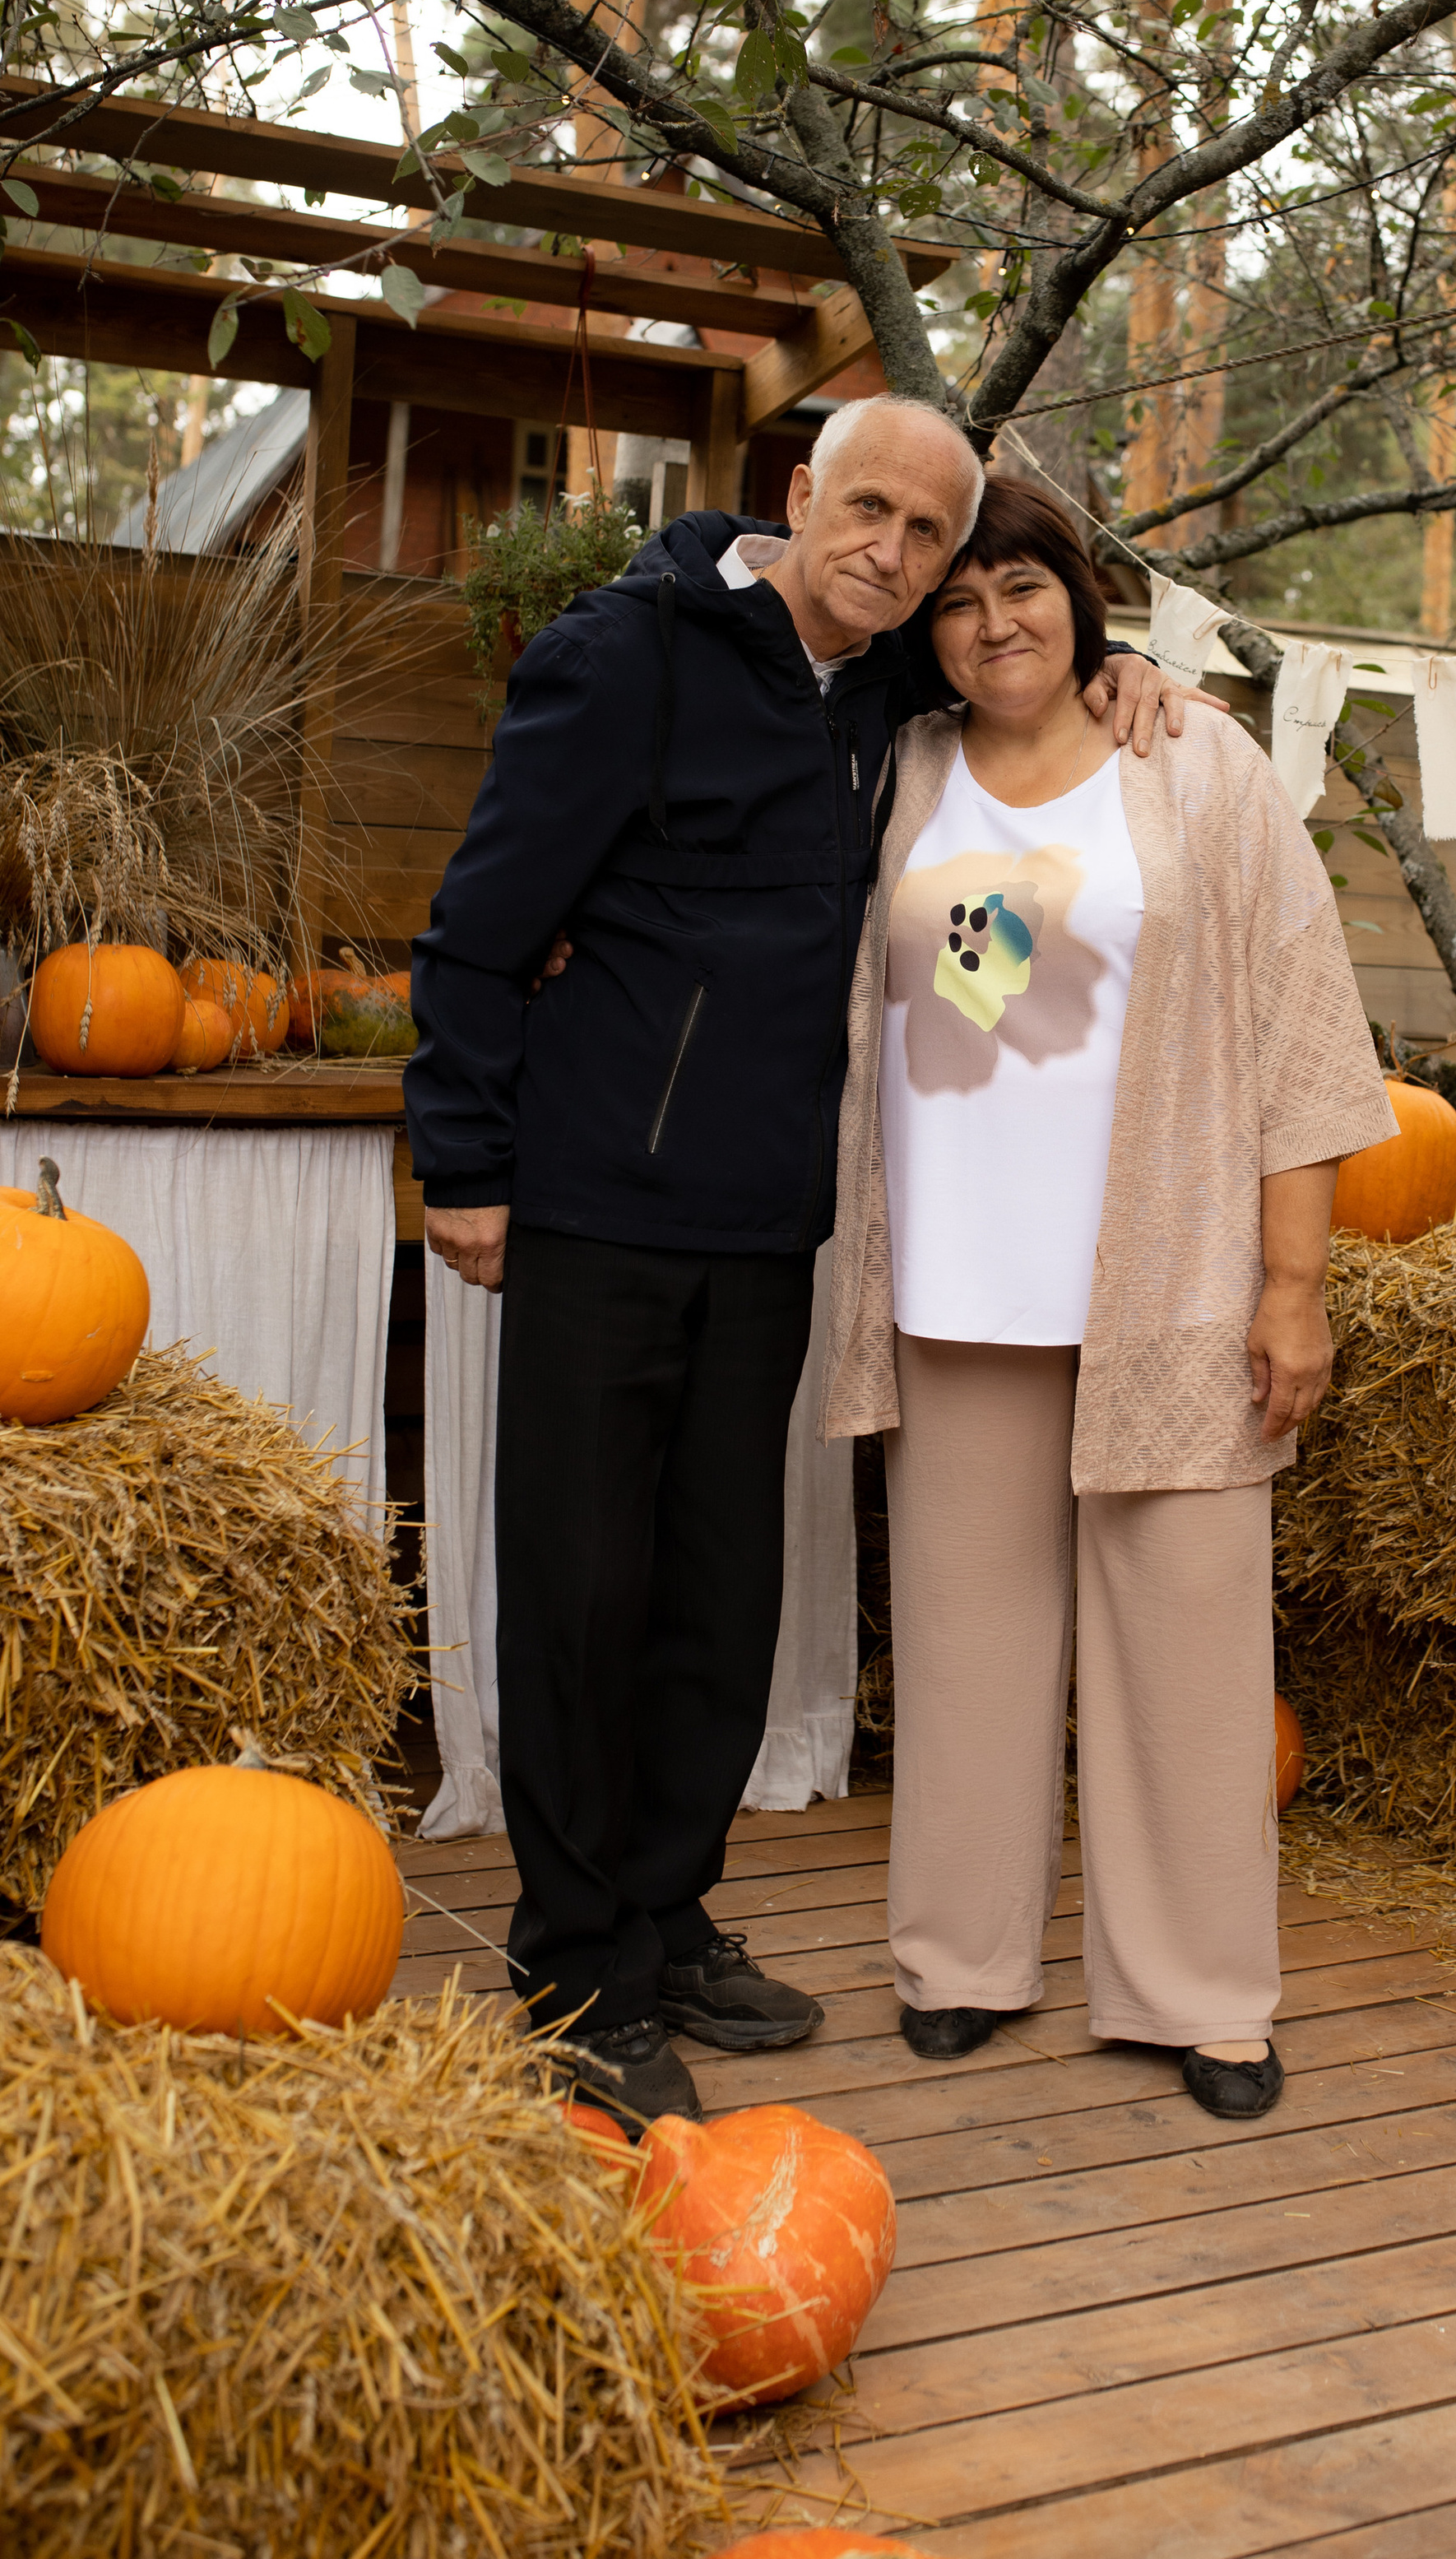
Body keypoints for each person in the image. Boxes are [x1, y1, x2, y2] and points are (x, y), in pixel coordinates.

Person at [406, 400, 1190, 2131]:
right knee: (583, 1592)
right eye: (872, 517)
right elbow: (477, 920)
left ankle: (668, 1915)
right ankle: (572, 1973)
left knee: (715, 1594)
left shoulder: (887, 696)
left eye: (926, 537)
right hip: (597, 1204)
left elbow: (1023, 664)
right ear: (795, 500)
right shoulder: (630, 656)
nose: (897, 558)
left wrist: (1123, 662)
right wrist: (462, 1161)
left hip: (769, 1221)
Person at [823, 479, 1395, 2120]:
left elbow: (1300, 1034)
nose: (993, 620)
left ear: (1086, 604)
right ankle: (958, 1959)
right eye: (957, 597)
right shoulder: (901, 768)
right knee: (961, 1642)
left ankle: (1203, 1994)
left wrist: (1292, 1289)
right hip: (953, 1279)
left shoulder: (1193, 766)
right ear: (925, 627)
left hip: (1169, 1288)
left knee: (1188, 1648)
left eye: (1024, 587)